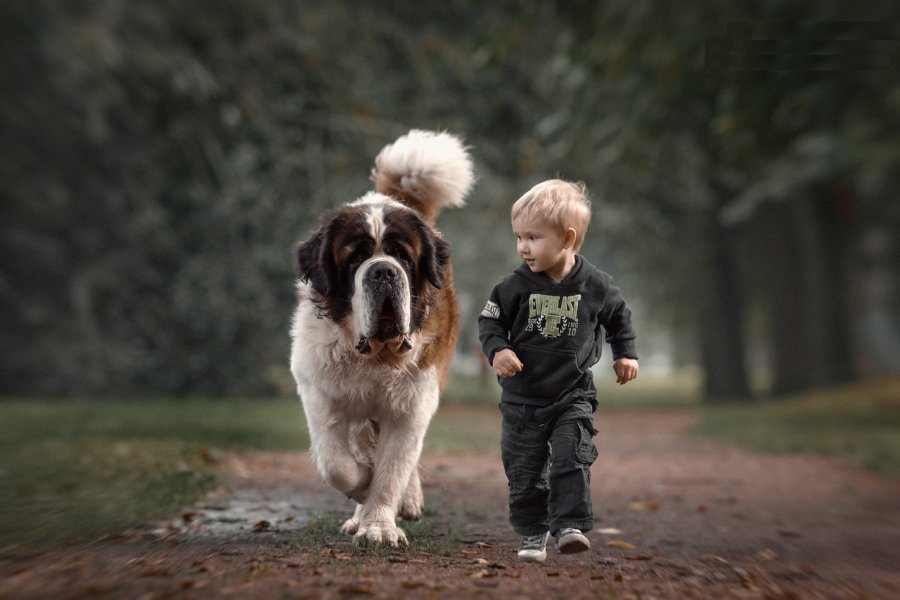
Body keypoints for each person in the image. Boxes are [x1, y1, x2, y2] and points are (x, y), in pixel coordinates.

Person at [477, 179, 639, 563]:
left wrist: (625, 354)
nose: (522, 247)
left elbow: (619, 319)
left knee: (571, 456)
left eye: (533, 237)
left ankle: (569, 525)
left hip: (573, 394)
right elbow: (490, 325)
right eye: (518, 236)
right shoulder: (512, 287)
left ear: (567, 238)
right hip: (522, 399)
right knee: (524, 469)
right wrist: (497, 350)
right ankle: (533, 533)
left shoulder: (597, 285)